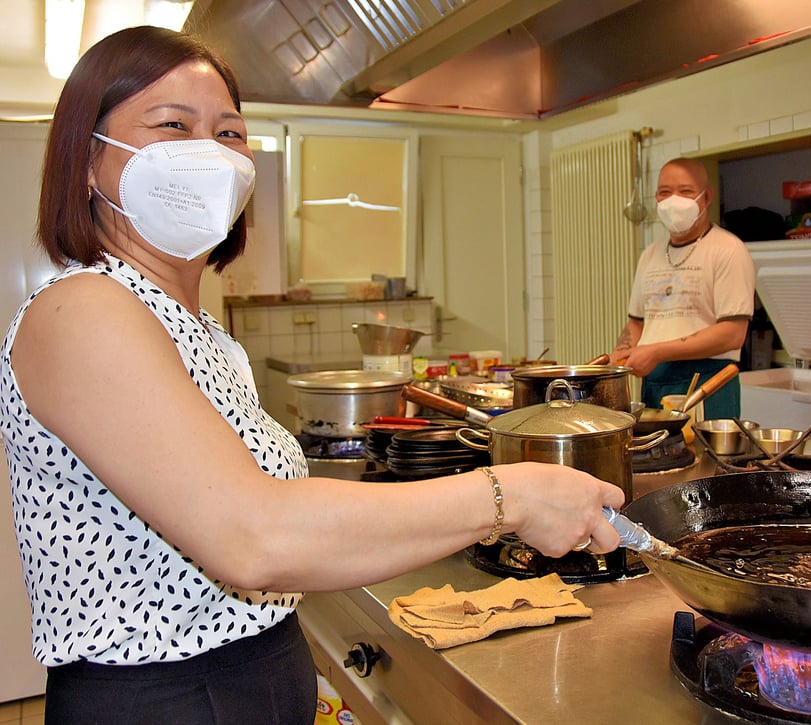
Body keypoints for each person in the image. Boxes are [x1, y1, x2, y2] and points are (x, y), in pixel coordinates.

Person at [0, 26, 624, 725]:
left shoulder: (194, 328)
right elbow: (253, 535)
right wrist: (512, 494)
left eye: (230, 133)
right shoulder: (82, 309)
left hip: (252, 673)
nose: (209, 152)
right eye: (173, 125)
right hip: (162, 697)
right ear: (87, 161)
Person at [613, 157, 755, 419]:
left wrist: (656, 351)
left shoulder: (728, 250)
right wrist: (620, 357)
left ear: (706, 196)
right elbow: (636, 322)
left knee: (707, 459)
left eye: (685, 191)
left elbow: (732, 334)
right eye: (665, 193)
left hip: (709, 384)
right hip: (655, 385)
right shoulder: (650, 255)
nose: (673, 201)